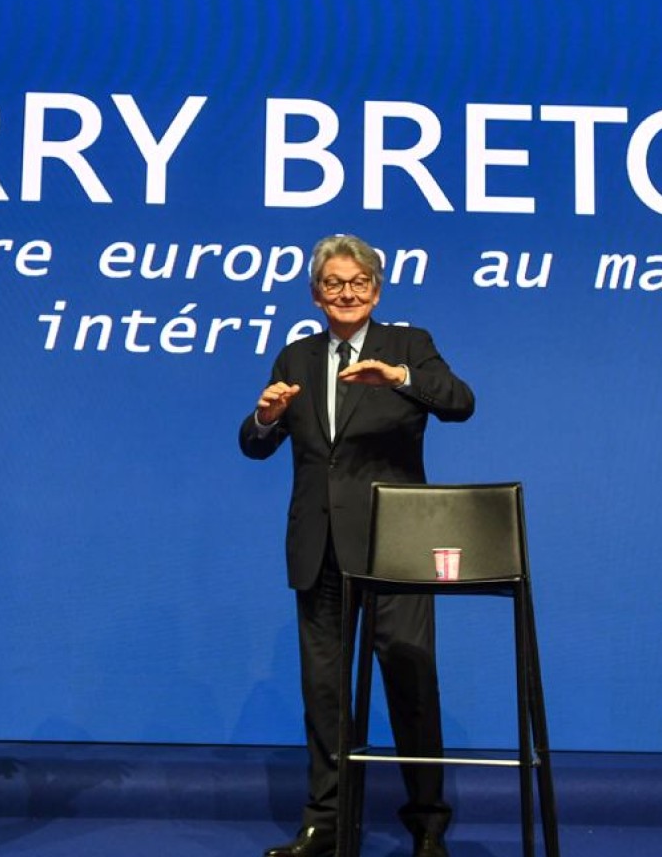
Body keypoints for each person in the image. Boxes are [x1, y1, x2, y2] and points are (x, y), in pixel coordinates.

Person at [239, 233, 475, 857]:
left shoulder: (409, 346)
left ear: (376, 289)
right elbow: (255, 443)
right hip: (319, 548)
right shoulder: (295, 356)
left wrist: (399, 378)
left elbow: (461, 403)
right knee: (324, 692)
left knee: (410, 683)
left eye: (358, 282)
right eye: (334, 284)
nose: (347, 293)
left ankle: (427, 825)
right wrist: (265, 417)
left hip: (395, 545)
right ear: (316, 295)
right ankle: (326, 824)